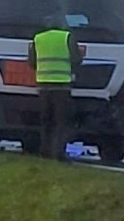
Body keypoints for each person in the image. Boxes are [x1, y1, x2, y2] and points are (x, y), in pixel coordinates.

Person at [27, 14, 83, 160]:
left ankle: (44, 151)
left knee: (46, 120)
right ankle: (59, 153)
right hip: (62, 85)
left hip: (43, 85)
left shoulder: (38, 38)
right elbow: (76, 59)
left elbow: (31, 62)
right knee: (61, 121)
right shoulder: (67, 37)